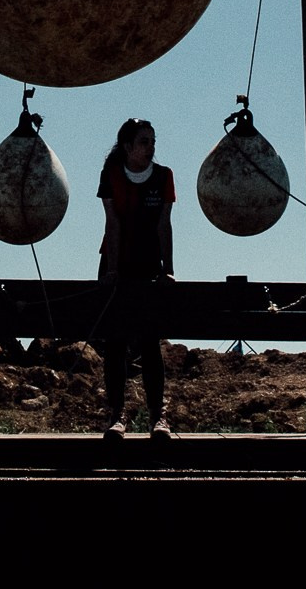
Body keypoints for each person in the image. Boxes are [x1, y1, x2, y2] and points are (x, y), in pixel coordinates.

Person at [97, 118, 175, 439]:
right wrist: (112, 270)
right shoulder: (111, 176)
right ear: (128, 147)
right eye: (144, 142)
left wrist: (167, 268)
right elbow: (112, 224)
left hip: (148, 266)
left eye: (153, 141)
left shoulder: (163, 176)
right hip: (116, 263)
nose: (151, 147)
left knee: (149, 342)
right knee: (115, 344)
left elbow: (164, 225)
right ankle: (118, 415)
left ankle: (158, 417)